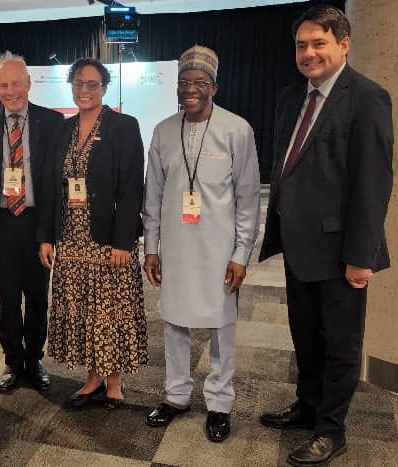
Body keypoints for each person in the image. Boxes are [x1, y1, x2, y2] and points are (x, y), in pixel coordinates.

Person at [258, 5, 394, 465]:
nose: (309, 53)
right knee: (306, 337)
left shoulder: (367, 98)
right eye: (302, 45)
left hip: (341, 253)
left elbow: (373, 184)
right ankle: (308, 405)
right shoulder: (290, 97)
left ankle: (331, 430)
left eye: (319, 43)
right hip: (299, 248)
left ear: (344, 44)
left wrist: (363, 256)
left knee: (340, 344)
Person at [142, 45, 261, 442]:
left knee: (221, 328)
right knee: (174, 321)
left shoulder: (237, 130)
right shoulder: (162, 130)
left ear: (214, 86)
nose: (190, 89)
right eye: (184, 82)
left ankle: (220, 403)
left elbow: (248, 199)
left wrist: (241, 254)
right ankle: (176, 396)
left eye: (199, 82)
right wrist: (152, 248)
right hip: (175, 248)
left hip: (219, 251)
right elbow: (153, 197)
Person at [38, 57, 146, 410]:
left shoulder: (123, 126)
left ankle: (113, 382)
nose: (85, 90)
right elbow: (52, 187)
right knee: (82, 309)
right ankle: (93, 377)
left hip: (106, 237)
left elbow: (132, 188)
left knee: (109, 310)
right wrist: (46, 236)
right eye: (79, 83)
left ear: (105, 87)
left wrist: (123, 241)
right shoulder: (62, 130)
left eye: (93, 84)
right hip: (69, 237)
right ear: (71, 85)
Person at [0, 51, 64, 395]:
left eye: (16, 83)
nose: (11, 91)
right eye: (3, 85)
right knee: (7, 297)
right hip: (3, 223)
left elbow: (55, 183)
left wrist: (49, 233)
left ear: (28, 83)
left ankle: (34, 358)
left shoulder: (51, 122)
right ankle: (13, 360)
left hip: (37, 223)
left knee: (38, 296)